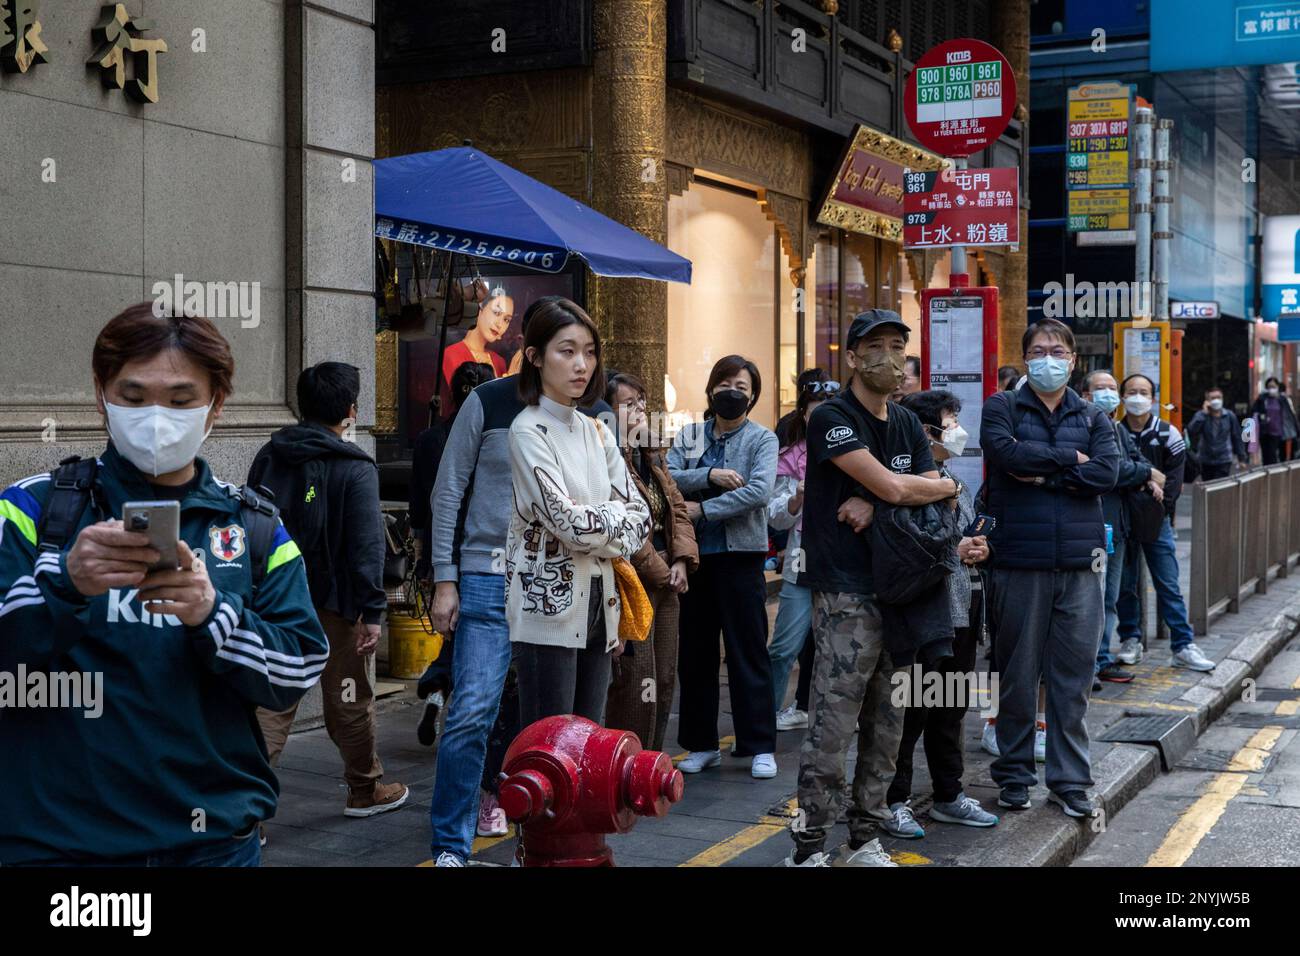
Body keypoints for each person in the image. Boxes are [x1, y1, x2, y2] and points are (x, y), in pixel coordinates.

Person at [0, 304, 328, 865]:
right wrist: (65, 585)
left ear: (215, 405)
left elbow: (298, 665)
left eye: (179, 400)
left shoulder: (254, 528)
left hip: (211, 845)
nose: (155, 418)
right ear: (101, 395)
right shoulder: (31, 510)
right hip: (58, 846)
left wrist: (214, 615)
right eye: (132, 397)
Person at [786, 310, 959, 868]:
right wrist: (904, 489)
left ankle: (865, 839)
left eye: (898, 347)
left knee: (889, 724)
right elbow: (900, 483)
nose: (891, 357)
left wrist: (893, 495)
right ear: (854, 357)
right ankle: (809, 847)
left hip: (903, 591)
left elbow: (932, 487)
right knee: (833, 725)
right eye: (877, 346)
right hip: (845, 592)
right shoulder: (832, 417)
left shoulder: (907, 421)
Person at [248, 363, 409, 820]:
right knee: (348, 697)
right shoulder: (356, 468)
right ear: (351, 410)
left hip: (276, 600)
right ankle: (364, 790)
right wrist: (372, 612)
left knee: (272, 702)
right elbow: (366, 547)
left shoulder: (271, 453)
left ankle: (247, 814)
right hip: (336, 608)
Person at [980, 319, 1118, 820]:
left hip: (1081, 566)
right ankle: (1014, 776)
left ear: (1073, 361)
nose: (1048, 359)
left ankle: (1070, 781)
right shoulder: (1001, 406)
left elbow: (1106, 471)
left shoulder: (1093, 416)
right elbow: (1004, 455)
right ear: (1025, 357)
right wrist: (1069, 461)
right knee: (1016, 676)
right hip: (1019, 562)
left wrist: (1041, 475)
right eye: (1038, 351)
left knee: (1072, 680)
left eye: (1057, 351)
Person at [506, 300, 650, 727]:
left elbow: (641, 517)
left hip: (600, 603)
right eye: (566, 351)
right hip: (545, 606)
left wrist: (597, 518)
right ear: (534, 357)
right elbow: (567, 524)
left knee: (589, 737)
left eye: (588, 352)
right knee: (550, 744)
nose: (581, 364)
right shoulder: (527, 430)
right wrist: (610, 517)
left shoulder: (598, 429)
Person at [882, 389, 1000, 835]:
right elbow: (905, 545)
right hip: (923, 614)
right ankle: (894, 800)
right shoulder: (901, 483)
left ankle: (949, 794)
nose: (955, 432)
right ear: (920, 430)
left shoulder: (955, 480)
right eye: (948, 423)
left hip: (963, 609)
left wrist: (979, 547)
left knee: (949, 709)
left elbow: (967, 534)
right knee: (910, 713)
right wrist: (955, 547)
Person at [669, 355, 780, 780]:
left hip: (740, 558)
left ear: (752, 396)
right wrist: (711, 474)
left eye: (742, 386)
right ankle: (702, 744)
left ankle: (759, 745)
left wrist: (705, 511)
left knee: (747, 651)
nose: (732, 391)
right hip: (695, 559)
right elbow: (670, 475)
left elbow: (758, 491)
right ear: (712, 388)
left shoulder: (762, 439)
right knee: (695, 653)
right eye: (725, 383)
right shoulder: (693, 435)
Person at [602, 372, 697, 750]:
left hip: (667, 576)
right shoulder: (608, 459)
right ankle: (626, 763)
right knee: (636, 676)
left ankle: (651, 761)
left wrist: (682, 562)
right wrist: (662, 572)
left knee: (665, 674)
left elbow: (677, 508)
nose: (640, 409)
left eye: (642, 402)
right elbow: (623, 529)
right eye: (628, 404)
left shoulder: (652, 454)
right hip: (633, 581)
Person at [410, 361, 495, 745]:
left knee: (453, 632)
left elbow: (419, 504)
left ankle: (437, 688)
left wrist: (421, 553)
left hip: (440, 547)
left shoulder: (430, 439)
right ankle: (447, 690)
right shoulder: (492, 435)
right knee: (472, 643)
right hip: (479, 550)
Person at [1115, 373, 1214, 672]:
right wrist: (1145, 484)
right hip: (1123, 522)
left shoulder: (1168, 434)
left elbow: (1173, 483)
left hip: (1157, 522)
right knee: (1125, 585)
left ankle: (1182, 645)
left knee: (1168, 583)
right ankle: (1130, 639)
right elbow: (1113, 475)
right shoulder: (1113, 433)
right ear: (1123, 397)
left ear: (1153, 398)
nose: (1137, 397)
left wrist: (1154, 504)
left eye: (1143, 392)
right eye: (1131, 391)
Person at [767, 376, 839, 730]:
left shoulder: (855, 453)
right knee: (783, 647)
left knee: (838, 649)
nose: (823, 418)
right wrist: (795, 499)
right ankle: (762, 722)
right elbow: (774, 515)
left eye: (830, 411)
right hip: (800, 560)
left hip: (844, 563)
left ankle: (831, 717)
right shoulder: (789, 456)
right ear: (804, 414)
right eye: (816, 412)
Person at [1080, 370, 1151, 688]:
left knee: (1109, 596)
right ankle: (1088, 663)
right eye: (1100, 388)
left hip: (1118, 528)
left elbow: (1134, 459)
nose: (1108, 393)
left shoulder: (1115, 426)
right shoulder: (1084, 425)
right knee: (1091, 597)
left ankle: (1101, 659)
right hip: (1093, 525)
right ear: (1085, 394)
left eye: (1112, 388)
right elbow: (1112, 471)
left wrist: (1141, 470)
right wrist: (1147, 473)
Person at [439, 285, 512, 417]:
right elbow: (464, 404)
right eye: (496, 313)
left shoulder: (499, 361)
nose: (500, 324)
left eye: (506, 320)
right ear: (479, 309)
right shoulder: (451, 354)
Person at [1186, 386, 1247, 482]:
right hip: (1205, 459)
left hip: (1224, 458)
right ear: (1207, 400)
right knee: (1208, 486)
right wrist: (1203, 414)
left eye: (1219, 397)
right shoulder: (1201, 415)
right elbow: (1191, 431)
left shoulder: (1229, 416)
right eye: (1213, 398)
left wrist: (1241, 458)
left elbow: (1237, 436)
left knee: (1220, 487)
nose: (1216, 400)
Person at [1251, 377, 1298, 466]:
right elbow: (1254, 412)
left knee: (1275, 456)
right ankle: (1268, 474)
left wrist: (1295, 430)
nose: (1271, 389)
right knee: (1266, 456)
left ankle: (1274, 475)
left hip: (1279, 432)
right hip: (1265, 432)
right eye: (1269, 387)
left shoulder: (1282, 399)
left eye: (1274, 386)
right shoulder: (1262, 399)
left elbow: (1289, 415)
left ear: (1277, 387)